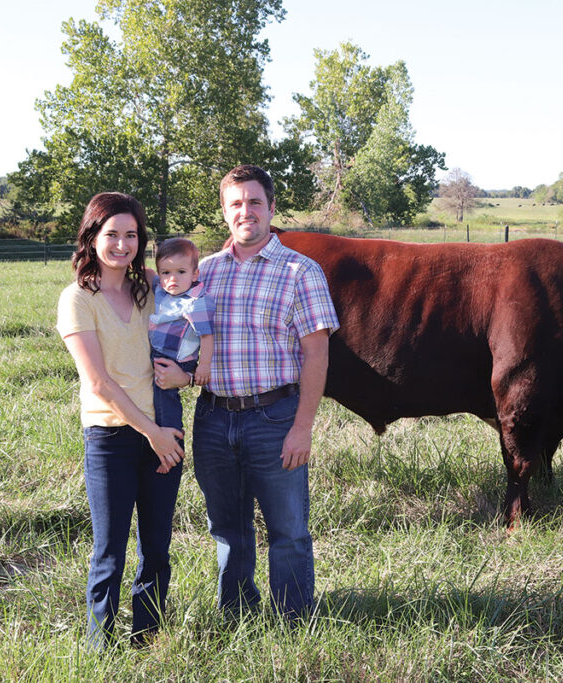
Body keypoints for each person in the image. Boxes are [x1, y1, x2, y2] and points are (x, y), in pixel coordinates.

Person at [154, 164, 339, 619]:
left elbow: (317, 355)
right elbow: (184, 337)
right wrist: (183, 376)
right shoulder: (204, 273)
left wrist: (302, 427)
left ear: (271, 208)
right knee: (226, 527)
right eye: (236, 203)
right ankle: (236, 614)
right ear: (224, 212)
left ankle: (293, 620)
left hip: (275, 417)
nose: (246, 211)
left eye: (255, 202)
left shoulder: (301, 271)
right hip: (214, 418)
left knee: (288, 529)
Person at [55, 192, 185, 649]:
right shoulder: (77, 299)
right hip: (112, 437)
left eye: (131, 235)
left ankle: (148, 638)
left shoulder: (150, 287)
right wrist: (151, 434)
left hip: (165, 431)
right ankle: (100, 647)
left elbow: (188, 331)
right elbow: (99, 382)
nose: (122, 244)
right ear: (92, 238)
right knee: (109, 550)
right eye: (112, 234)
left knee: (157, 547)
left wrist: (187, 376)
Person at [149, 237, 214, 473]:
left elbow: (207, 336)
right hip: (157, 352)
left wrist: (203, 367)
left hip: (178, 359)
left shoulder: (196, 302)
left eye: (180, 272)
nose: (172, 279)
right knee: (150, 397)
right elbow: (149, 275)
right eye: (166, 272)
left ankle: (171, 449)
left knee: (165, 398)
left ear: (195, 274)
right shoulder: (163, 291)